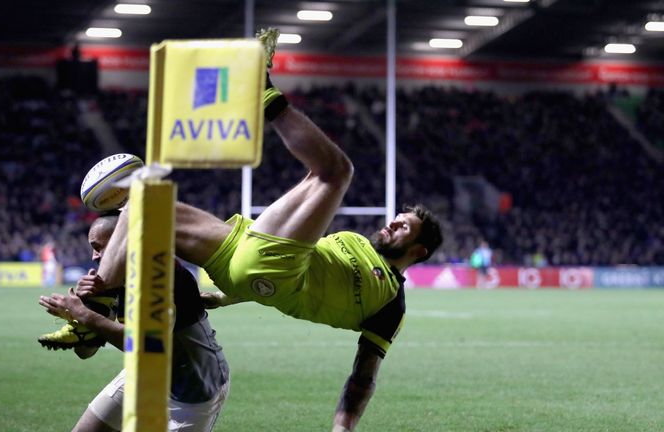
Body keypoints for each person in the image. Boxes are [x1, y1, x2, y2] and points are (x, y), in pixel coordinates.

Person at [79, 31, 444, 432]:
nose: (392, 222)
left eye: (404, 225)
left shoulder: (391, 303)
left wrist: (343, 427)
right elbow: (299, 255)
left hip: (270, 271)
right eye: (396, 217)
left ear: (420, 250)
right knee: (144, 203)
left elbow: (364, 373)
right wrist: (222, 297)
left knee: (337, 172)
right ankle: (94, 308)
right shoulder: (356, 242)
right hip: (238, 254)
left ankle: (262, 89)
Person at [39, 213, 230, 432]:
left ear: (123, 242)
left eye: (98, 246)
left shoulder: (164, 277)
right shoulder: (107, 282)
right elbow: (85, 352)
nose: (94, 256)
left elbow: (149, 346)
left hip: (194, 389)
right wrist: (85, 309)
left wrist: (85, 315)